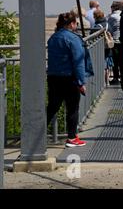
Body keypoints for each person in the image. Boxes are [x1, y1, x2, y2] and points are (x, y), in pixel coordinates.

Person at [46, 12, 88, 148]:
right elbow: (78, 62)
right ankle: (71, 137)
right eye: (76, 23)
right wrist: (81, 82)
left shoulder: (53, 38)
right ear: (72, 24)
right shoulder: (73, 39)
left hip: (53, 77)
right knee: (72, 108)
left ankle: (36, 134)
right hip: (69, 78)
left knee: (52, 107)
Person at [107, 1, 123, 84]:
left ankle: (116, 78)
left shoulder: (112, 17)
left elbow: (109, 29)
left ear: (113, 8)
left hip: (115, 41)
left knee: (115, 61)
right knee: (122, 61)